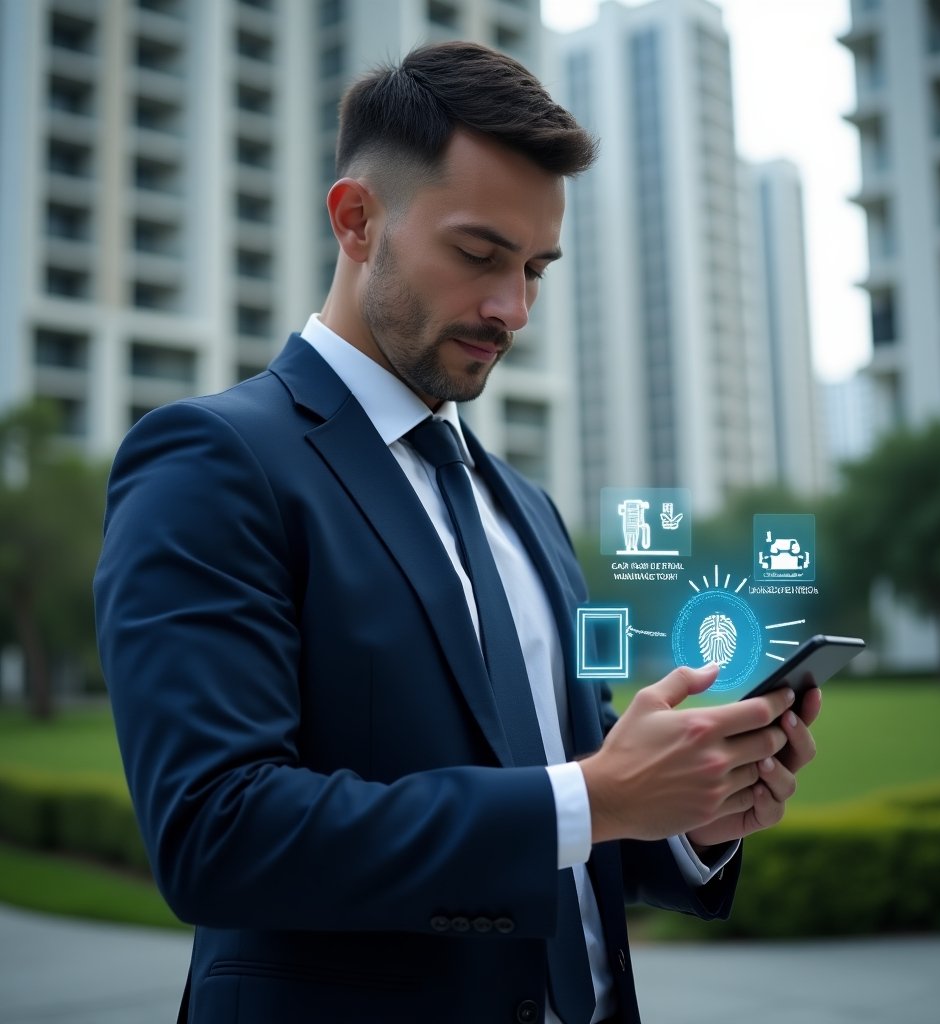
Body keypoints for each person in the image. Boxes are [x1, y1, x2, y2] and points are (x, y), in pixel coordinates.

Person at [94, 41, 820, 1024]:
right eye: (479, 255)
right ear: (357, 221)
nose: (511, 308)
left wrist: (693, 810)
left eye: (534, 269)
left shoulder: (525, 507)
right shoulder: (212, 460)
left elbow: (569, 802)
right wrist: (597, 797)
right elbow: (218, 833)